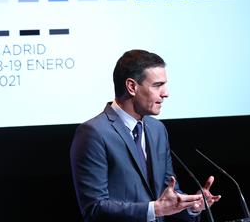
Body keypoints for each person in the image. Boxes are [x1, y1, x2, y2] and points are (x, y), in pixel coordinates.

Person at [70, 49, 221, 222]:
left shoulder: (157, 130)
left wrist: (191, 206)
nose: (165, 93)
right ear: (132, 87)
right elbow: (94, 209)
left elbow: (169, 194)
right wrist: (153, 209)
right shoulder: (93, 133)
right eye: (157, 85)